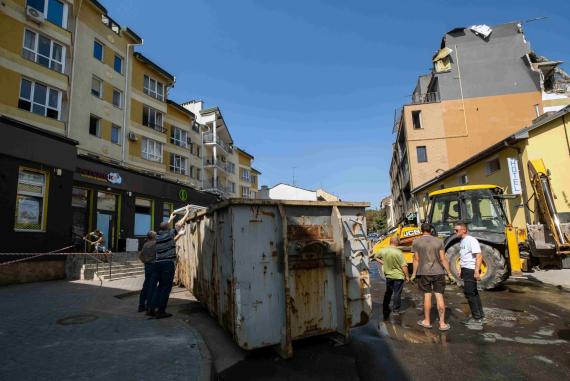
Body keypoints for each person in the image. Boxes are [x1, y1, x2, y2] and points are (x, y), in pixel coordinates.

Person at [147, 206, 191, 319]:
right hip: (167, 265)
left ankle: (151, 308)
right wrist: (187, 212)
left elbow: (165, 226)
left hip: (158, 264)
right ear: (168, 229)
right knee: (166, 288)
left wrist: (170, 219)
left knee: (159, 287)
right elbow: (180, 224)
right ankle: (161, 311)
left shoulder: (157, 236)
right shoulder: (170, 233)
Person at [411, 223, 453, 331]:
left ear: (421, 230)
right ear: (431, 230)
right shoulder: (439, 241)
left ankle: (427, 321)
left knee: (427, 296)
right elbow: (443, 259)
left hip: (424, 272)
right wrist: (449, 273)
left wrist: (414, 274)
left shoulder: (416, 242)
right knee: (439, 296)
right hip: (439, 272)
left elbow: (416, 259)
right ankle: (442, 324)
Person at [454, 222, 485, 325]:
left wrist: (476, 271)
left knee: (469, 293)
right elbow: (465, 257)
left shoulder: (471, 240)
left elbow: (479, 255)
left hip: (471, 269)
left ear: (464, 230)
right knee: (473, 292)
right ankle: (480, 315)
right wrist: (461, 269)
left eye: (456, 230)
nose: (455, 232)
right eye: (454, 230)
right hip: (466, 269)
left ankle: (476, 318)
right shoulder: (463, 241)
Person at [373, 236, 409, 318]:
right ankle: (396, 310)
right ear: (397, 242)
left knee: (388, 291)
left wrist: (383, 262)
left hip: (388, 275)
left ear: (390, 242)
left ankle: (385, 306)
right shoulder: (398, 252)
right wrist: (407, 276)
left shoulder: (383, 250)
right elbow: (404, 266)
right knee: (397, 293)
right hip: (398, 276)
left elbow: (375, 257)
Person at [138, 230, 157, 313]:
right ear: (153, 236)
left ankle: (141, 305)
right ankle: (150, 306)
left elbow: (140, 256)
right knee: (152, 286)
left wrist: (145, 262)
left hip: (147, 266)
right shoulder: (155, 244)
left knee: (146, 285)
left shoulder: (145, 244)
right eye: (155, 235)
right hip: (153, 266)